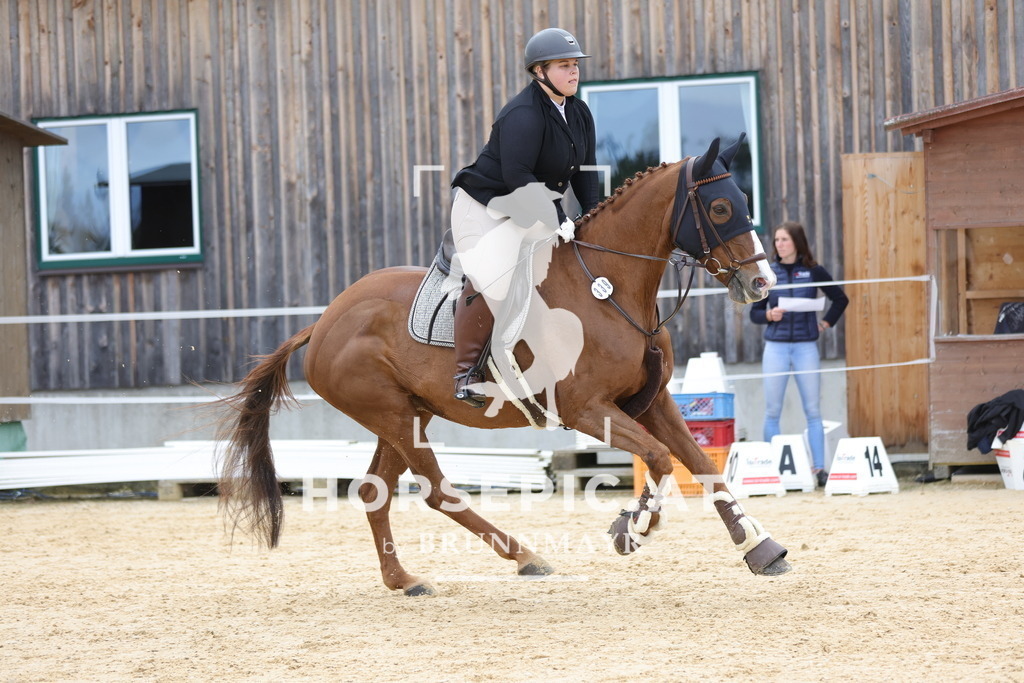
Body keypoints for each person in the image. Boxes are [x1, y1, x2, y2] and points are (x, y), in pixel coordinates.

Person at [448, 28, 599, 407]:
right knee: (494, 270)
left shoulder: (578, 112)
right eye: (564, 66)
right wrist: (556, 215)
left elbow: (586, 172)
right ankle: (466, 371)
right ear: (539, 71)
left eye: (575, 65)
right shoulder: (522, 114)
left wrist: (594, 218)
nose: (574, 72)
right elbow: (517, 177)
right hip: (485, 205)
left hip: (528, 205)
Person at [750, 222, 849, 487]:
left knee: (813, 410)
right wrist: (769, 314)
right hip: (776, 348)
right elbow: (754, 312)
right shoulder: (768, 272)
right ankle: (772, 470)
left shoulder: (814, 270)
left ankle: (819, 470)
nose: (779, 244)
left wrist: (825, 323)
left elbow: (840, 299)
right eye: (777, 240)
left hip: (806, 347)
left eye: (784, 239)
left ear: (797, 242)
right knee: (772, 411)